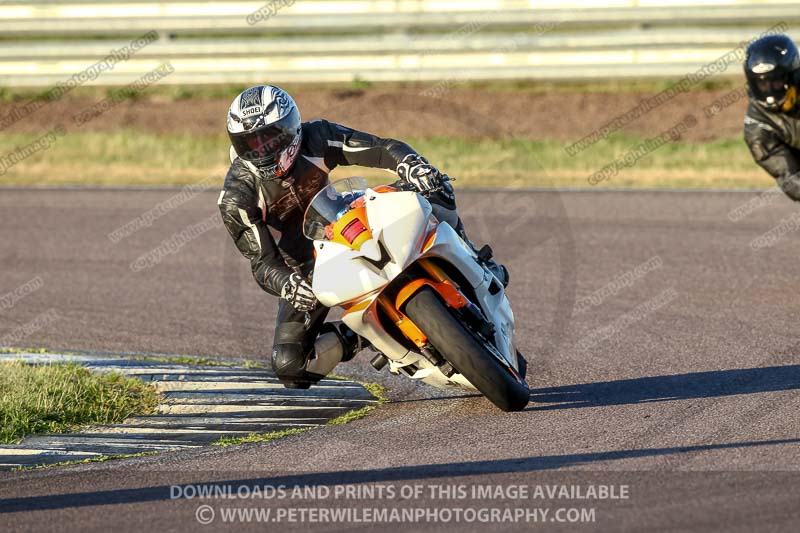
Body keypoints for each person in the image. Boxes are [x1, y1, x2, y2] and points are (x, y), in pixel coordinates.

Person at [218, 85, 508, 389]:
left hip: (352, 214)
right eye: (250, 142)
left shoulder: (316, 136)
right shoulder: (236, 198)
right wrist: (288, 285)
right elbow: (262, 263)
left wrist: (412, 165)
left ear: (290, 128)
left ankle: (476, 259)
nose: (262, 150)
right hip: (308, 269)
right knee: (290, 365)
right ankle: (359, 334)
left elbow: (381, 148)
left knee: (434, 186)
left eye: (270, 137)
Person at [744, 34, 800, 199]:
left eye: (775, 82)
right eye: (762, 84)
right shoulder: (757, 129)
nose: (769, 91)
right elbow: (789, 179)